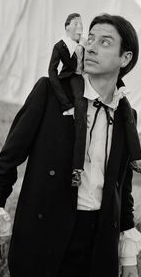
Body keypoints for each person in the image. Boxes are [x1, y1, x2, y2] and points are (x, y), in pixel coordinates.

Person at [0, 14, 141, 277]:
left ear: (125, 58)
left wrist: (127, 256)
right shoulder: (50, 92)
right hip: (44, 234)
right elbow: (8, 159)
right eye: (91, 38)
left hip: (98, 246)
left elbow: (122, 187)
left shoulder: (126, 116)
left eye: (105, 42)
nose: (92, 46)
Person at [48, 13, 87, 186]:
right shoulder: (60, 46)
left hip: (87, 78)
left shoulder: (86, 44)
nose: (80, 27)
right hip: (72, 78)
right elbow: (52, 71)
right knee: (80, 112)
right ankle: (76, 169)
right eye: (76, 23)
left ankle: (78, 167)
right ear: (67, 27)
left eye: (81, 24)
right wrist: (65, 102)